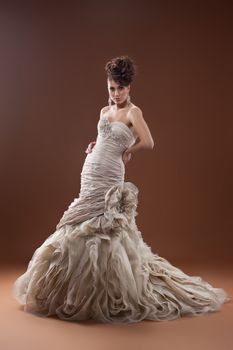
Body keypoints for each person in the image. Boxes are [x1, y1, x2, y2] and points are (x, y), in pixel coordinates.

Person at [12, 55, 231, 324]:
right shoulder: (104, 111)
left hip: (111, 174)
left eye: (121, 88)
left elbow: (148, 141)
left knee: (104, 226)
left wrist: (129, 149)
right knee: (80, 224)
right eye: (112, 88)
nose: (116, 94)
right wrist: (95, 144)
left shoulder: (133, 112)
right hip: (91, 171)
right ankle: (74, 291)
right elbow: (105, 136)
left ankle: (109, 292)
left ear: (129, 88)